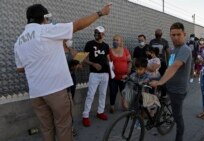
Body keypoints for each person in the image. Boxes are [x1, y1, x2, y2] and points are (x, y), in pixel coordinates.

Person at [14, 3, 111, 141]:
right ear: (43, 18)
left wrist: (37, 64)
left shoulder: (19, 42)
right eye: (47, 19)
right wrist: (100, 13)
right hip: (56, 89)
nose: (48, 22)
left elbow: (19, 68)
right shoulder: (45, 30)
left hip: (36, 93)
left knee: (47, 128)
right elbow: (77, 25)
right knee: (64, 127)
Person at [150, 22, 192, 141]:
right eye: (173, 35)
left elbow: (175, 66)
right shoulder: (174, 50)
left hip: (178, 90)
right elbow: (169, 67)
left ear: (184, 34)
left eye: (178, 34)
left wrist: (160, 82)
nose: (175, 37)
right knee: (146, 82)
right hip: (169, 83)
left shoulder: (185, 49)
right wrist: (157, 79)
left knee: (178, 117)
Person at [82, 26, 110, 127]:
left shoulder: (106, 45)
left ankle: (100, 112)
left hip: (105, 74)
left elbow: (108, 58)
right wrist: (93, 64)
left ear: (103, 34)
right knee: (90, 95)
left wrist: (111, 68)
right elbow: (84, 59)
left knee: (103, 94)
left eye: (100, 33)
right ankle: (85, 116)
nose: (98, 34)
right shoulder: (89, 44)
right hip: (94, 74)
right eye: (96, 32)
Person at [109, 34, 132, 113]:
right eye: (114, 40)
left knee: (124, 92)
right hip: (114, 77)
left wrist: (129, 68)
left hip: (124, 76)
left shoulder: (125, 50)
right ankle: (112, 106)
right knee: (113, 92)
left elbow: (129, 61)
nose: (115, 41)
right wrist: (110, 66)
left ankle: (124, 105)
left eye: (117, 40)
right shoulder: (110, 50)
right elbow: (108, 61)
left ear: (121, 41)